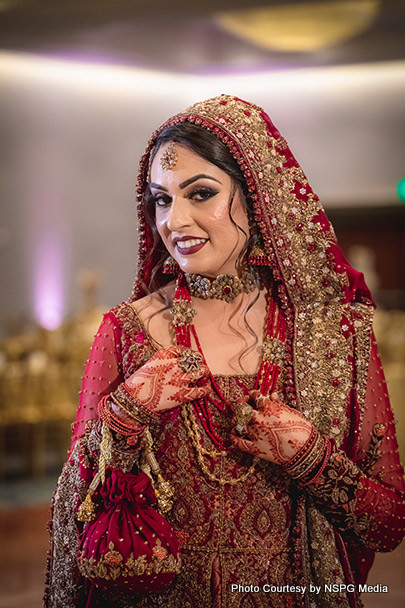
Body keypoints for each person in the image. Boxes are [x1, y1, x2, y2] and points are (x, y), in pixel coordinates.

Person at [44, 95, 405, 608]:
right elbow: (72, 512)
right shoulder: (128, 331)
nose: (175, 221)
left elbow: (389, 523)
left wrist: (311, 459)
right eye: (161, 199)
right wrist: (124, 418)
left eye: (201, 193)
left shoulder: (332, 334)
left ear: (257, 198)